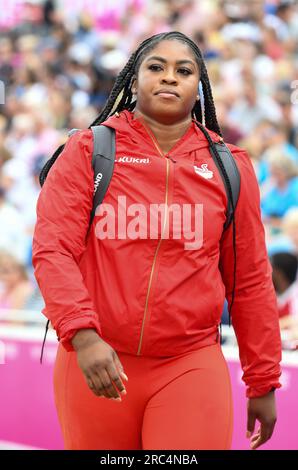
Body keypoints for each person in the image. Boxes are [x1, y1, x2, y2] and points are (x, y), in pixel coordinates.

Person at [32, 31, 282, 451]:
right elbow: (53, 250)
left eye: (184, 71)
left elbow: (250, 280)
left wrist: (263, 378)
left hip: (189, 363)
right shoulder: (88, 150)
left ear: (198, 87)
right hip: (96, 360)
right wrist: (83, 335)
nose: (170, 77)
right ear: (133, 81)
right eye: (156, 67)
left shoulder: (230, 166)